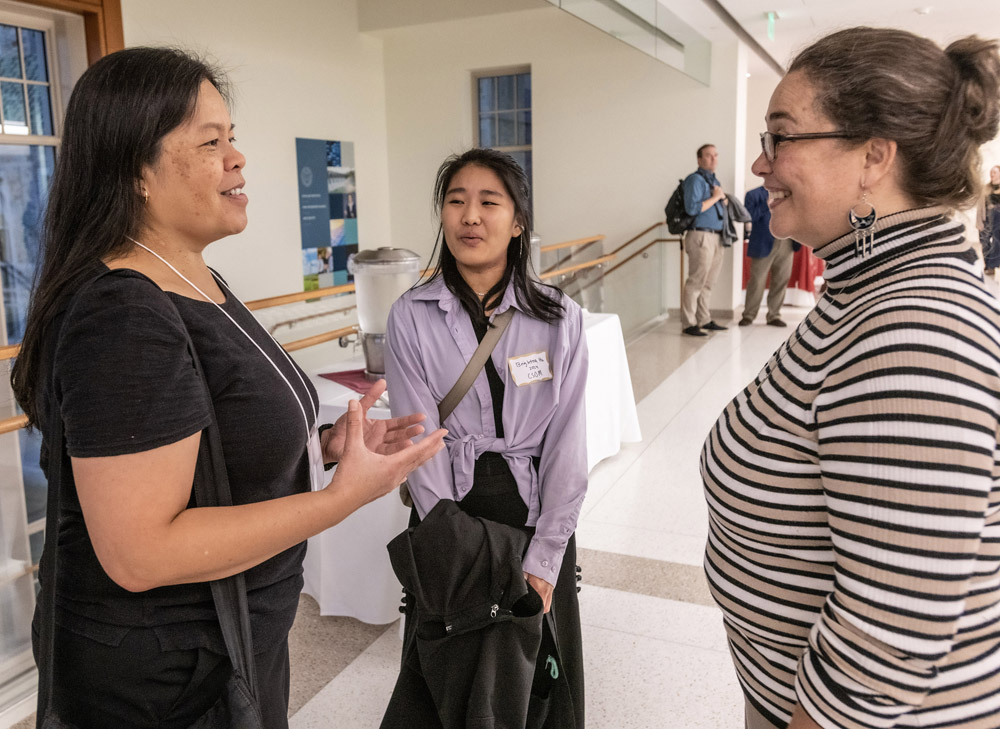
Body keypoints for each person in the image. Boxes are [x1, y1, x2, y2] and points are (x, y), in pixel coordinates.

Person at [9, 47, 445, 729]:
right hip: (161, 686)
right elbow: (140, 550)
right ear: (137, 173)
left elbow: (210, 450)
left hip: (231, 651)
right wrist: (340, 499)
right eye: (211, 143)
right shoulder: (123, 313)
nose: (238, 159)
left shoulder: (190, 276)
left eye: (232, 138)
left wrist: (328, 446)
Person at [701, 27, 1000, 729]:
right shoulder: (869, 293)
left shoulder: (915, 333)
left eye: (781, 137)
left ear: (873, 156)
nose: (759, 162)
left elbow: (886, 640)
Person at [382, 148, 587, 728]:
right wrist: (452, 538)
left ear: (517, 221)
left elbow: (568, 444)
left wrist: (545, 558)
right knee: (448, 672)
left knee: (535, 672)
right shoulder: (411, 315)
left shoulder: (559, 317)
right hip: (451, 512)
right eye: (456, 201)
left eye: (488, 202)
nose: (470, 216)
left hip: (533, 514)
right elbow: (420, 440)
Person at [680, 143, 729, 336]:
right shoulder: (695, 180)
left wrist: (722, 199)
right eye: (708, 156)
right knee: (696, 281)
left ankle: (704, 319)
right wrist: (717, 198)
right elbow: (692, 209)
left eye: (716, 155)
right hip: (700, 235)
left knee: (709, 282)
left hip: (716, 236)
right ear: (699, 159)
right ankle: (689, 322)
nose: (713, 159)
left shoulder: (713, 180)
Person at [739, 184, 800, 327]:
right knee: (757, 281)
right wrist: (767, 205)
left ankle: (774, 315)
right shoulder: (753, 194)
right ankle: (748, 315)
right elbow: (748, 217)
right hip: (762, 243)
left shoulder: (790, 194)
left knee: (781, 280)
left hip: (786, 242)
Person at [976, 164, 1000, 275]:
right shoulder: (985, 188)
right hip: (986, 219)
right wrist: (978, 222)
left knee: (997, 243)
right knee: (984, 243)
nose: (992, 174)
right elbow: (980, 207)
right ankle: (988, 264)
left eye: (994, 172)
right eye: (991, 172)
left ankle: (992, 266)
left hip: (998, 220)